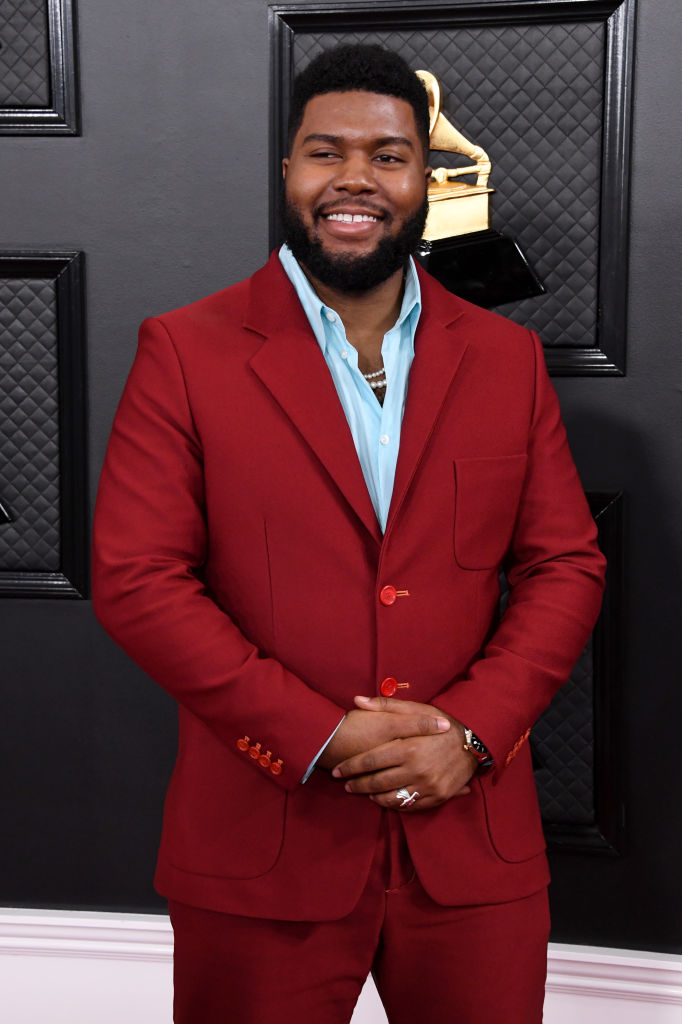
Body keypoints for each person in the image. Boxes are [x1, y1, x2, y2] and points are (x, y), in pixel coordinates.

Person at [92, 43, 606, 1024]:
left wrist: (470, 730)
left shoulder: (506, 360)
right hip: (258, 851)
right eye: (326, 152)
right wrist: (321, 736)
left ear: (423, 176)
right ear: (288, 170)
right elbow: (137, 577)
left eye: (387, 153)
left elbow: (563, 562)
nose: (355, 179)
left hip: (474, 850)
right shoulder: (185, 350)